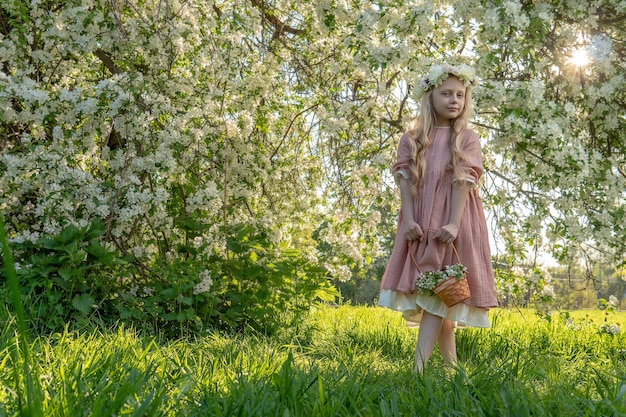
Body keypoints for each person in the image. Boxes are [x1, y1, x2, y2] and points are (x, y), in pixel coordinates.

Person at [378, 63, 498, 373]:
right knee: (439, 290)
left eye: (460, 94)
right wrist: (407, 221)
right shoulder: (414, 137)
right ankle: (453, 372)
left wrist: (454, 223)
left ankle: (417, 370)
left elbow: (463, 180)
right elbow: (404, 179)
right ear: (430, 96)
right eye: (446, 93)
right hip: (420, 221)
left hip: (455, 220)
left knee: (439, 290)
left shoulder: (467, 138)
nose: (454, 100)